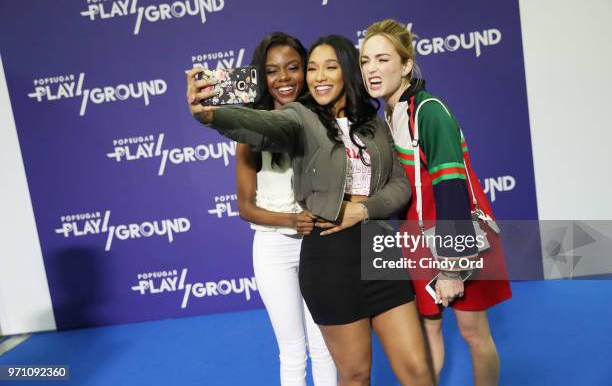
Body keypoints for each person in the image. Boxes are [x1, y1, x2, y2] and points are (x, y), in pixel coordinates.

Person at [187, 35, 434, 386]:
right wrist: (211, 115)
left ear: (348, 71)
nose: (318, 76)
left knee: (418, 371)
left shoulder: (377, 125)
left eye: (329, 67)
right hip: (327, 260)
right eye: (313, 68)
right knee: (353, 374)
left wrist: (362, 211)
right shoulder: (300, 117)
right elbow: (263, 126)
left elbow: (401, 185)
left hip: (380, 253)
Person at [359, 19, 512, 385]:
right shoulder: (388, 114)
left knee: (474, 335)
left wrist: (452, 265)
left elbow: (451, 187)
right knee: (426, 332)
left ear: (406, 64)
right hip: (415, 239)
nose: (372, 70)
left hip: (455, 234)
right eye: (365, 61)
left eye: (382, 59)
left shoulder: (430, 111)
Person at [215, 32, 337, 386]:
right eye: (272, 71)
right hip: (272, 249)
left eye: (293, 67)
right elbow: (245, 207)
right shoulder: (250, 127)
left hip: (320, 243)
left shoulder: (325, 118)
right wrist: (291, 220)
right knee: (293, 351)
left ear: (307, 71)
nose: (283, 78)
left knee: (326, 345)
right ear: (260, 78)